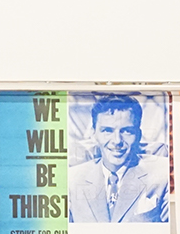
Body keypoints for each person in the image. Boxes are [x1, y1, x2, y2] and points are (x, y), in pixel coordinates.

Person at [67, 94, 171, 224]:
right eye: (107, 131)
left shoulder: (164, 174)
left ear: (138, 135)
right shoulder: (72, 179)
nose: (117, 141)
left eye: (126, 131)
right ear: (94, 134)